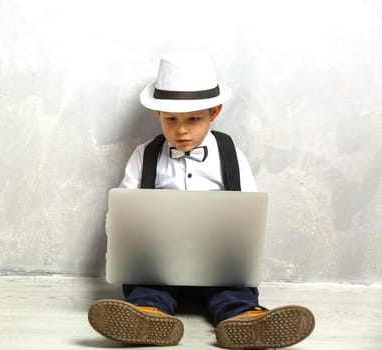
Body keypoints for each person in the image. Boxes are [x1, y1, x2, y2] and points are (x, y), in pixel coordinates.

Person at [87, 53, 315, 349]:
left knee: (232, 289)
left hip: (219, 265)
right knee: (145, 287)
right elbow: (119, 216)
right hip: (157, 265)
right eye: (171, 120)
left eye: (193, 119)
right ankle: (147, 315)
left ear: (214, 111)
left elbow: (251, 217)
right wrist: (125, 249)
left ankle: (244, 319)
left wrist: (239, 251)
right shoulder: (145, 155)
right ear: (158, 114)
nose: (181, 130)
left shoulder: (231, 155)